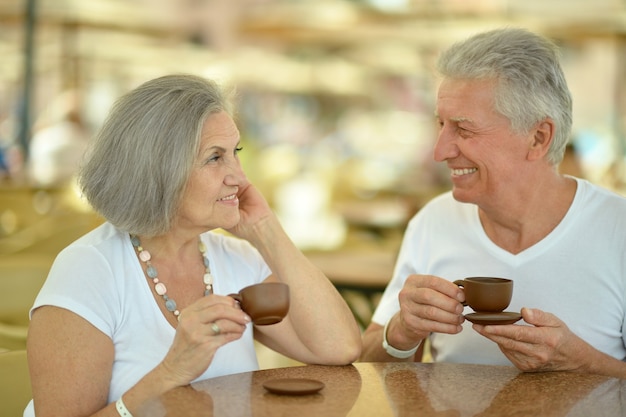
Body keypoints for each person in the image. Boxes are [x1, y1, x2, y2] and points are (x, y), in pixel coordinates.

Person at [25, 74, 362, 417]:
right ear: (160, 171)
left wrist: (266, 230)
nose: (240, 177)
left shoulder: (238, 260)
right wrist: (172, 372)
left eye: (236, 153)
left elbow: (341, 347)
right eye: (215, 158)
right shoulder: (89, 271)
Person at [361, 27, 626, 378]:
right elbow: (366, 368)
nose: (440, 151)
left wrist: (583, 363)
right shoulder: (433, 222)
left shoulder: (618, 230)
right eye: (441, 124)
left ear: (538, 137)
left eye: (464, 129)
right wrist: (401, 332)